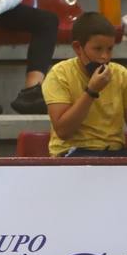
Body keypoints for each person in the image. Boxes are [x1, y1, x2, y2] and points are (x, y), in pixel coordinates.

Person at [44, 12, 127, 157]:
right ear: (78, 48)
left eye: (109, 49)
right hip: (73, 152)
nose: (105, 57)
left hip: (115, 152)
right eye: (98, 49)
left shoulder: (121, 74)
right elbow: (63, 131)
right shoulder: (59, 74)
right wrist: (91, 91)